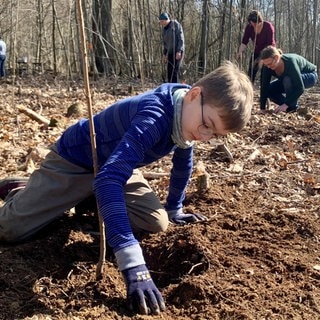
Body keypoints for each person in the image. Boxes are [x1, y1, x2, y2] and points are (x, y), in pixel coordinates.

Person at [0, 61, 253, 315]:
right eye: (207, 125)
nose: (206, 136)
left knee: (156, 221)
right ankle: (19, 189)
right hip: (74, 161)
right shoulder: (155, 117)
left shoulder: (188, 117)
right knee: (10, 229)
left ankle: (87, 199)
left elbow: (183, 163)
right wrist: (132, 263)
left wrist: (175, 207)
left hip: (116, 164)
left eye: (215, 135)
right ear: (194, 94)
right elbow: (108, 179)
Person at [259, 46, 318, 113]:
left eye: (269, 64)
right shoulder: (267, 67)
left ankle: (291, 106)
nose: (268, 67)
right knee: (269, 90)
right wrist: (262, 108)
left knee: (287, 79)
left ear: (276, 58)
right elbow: (264, 87)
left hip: (310, 76)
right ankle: (290, 108)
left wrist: (286, 104)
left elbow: (300, 88)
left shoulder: (290, 62)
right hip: (288, 79)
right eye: (266, 65)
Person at [237, 10, 276, 83]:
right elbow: (244, 42)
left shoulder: (268, 27)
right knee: (251, 70)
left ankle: (264, 92)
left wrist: (262, 59)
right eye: (252, 24)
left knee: (264, 73)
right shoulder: (249, 27)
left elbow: (270, 44)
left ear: (261, 21)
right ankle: (249, 88)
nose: (254, 26)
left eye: (256, 24)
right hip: (257, 51)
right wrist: (240, 52)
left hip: (269, 52)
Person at [159, 12, 185, 83]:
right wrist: (164, 54)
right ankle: (170, 87)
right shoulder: (164, 30)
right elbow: (165, 44)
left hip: (177, 51)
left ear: (166, 20)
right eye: (160, 21)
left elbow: (181, 39)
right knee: (169, 71)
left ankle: (175, 88)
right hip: (170, 52)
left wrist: (179, 51)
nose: (161, 23)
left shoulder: (175, 25)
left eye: (162, 21)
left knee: (175, 71)